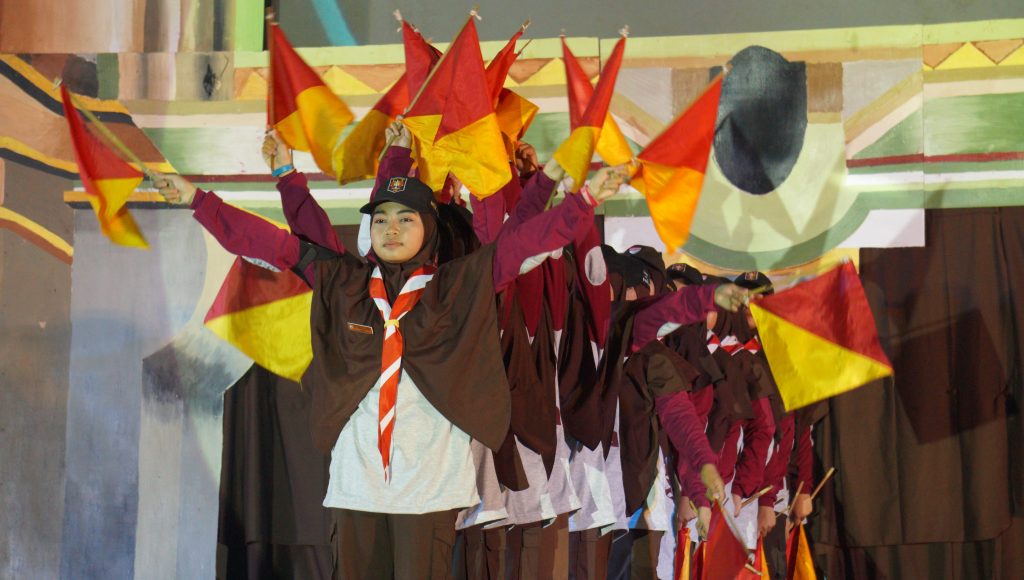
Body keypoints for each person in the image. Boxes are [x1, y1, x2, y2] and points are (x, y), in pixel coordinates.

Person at [152, 130, 630, 579]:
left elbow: (524, 245)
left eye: (406, 219)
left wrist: (583, 202)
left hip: (429, 492)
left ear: (429, 229)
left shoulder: (457, 286)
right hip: (355, 489)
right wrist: (198, 200)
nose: (391, 229)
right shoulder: (345, 283)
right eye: (381, 219)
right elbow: (273, 245)